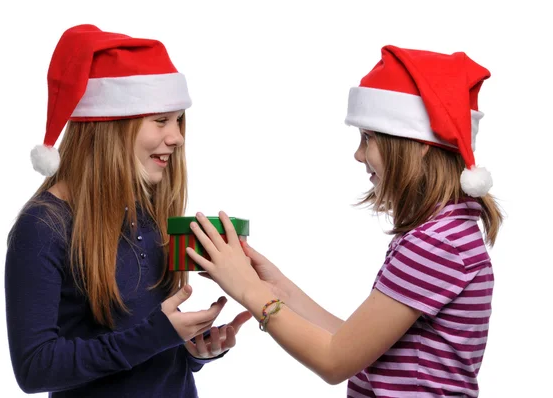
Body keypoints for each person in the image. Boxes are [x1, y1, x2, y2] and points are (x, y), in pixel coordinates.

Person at [185, 45, 503, 397]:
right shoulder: (444, 231)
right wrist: (278, 289)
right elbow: (353, 345)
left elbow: (335, 361)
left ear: (417, 144)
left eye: (368, 138)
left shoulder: (436, 243)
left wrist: (248, 290)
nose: (358, 154)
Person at [4, 24, 251, 398]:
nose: (178, 137)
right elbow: (35, 368)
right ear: (112, 126)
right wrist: (157, 335)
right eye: (161, 120)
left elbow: (145, 347)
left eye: (178, 120)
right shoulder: (44, 226)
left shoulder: (147, 211)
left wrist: (192, 351)